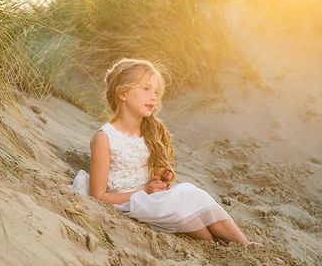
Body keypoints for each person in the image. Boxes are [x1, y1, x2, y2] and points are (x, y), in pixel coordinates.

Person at [72, 58, 261, 245]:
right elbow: (99, 196)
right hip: (127, 202)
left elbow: (145, 174)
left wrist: (160, 178)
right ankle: (226, 244)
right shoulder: (105, 138)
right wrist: (144, 190)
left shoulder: (149, 132)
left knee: (191, 200)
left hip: (152, 199)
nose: (153, 96)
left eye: (155, 91)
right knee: (188, 206)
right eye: (146, 89)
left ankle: (241, 243)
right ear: (123, 93)